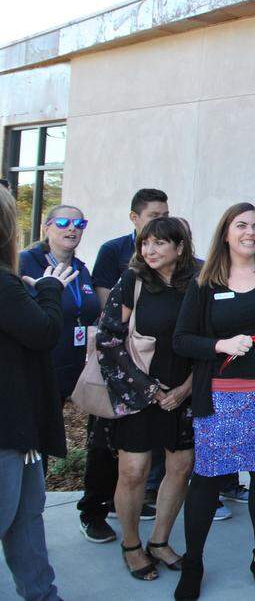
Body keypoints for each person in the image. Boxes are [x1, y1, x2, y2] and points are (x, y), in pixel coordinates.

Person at [172, 202, 255, 599]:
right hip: (220, 398)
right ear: (226, 233)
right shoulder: (205, 282)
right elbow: (182, 340)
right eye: (241, 225)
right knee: (208, 480)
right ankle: (193, 563)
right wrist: (221, 344)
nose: (250, 232)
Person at [96, 218, 197, 581]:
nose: (149, 251)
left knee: (180, 468)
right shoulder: (133, 280)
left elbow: (212, 340)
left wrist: (186, 388)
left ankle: (160, 541)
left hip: (184, 393)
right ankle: (131, 544)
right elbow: (109, 338)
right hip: (138, 392)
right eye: (145, 244)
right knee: (134, 471)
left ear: (180, 248)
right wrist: (150, 390)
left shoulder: (198, 282)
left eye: (159, 244)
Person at [18, 206, 112, 544]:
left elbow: (91, 314)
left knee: (100, 438)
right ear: (46, 226)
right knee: (36, 447)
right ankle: (29, 518)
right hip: (40, 371)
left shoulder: (82, 269)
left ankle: (94, 510)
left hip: (82, 371)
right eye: (63, 222)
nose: (72, 228)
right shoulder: (24, 263)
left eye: (79, 223)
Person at [0, 189, 74, 601]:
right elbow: (44, 332)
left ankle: (43, 595)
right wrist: (48, 290)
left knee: (27, 518)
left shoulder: (9, 286)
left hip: (20, 426)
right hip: (8, 426)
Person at [92, 188, 169, 306]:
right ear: (134, 217)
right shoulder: (113, 249)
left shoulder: (174, 249)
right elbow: (104, 299)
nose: (162, 221)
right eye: (154, 216)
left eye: (165, 215)